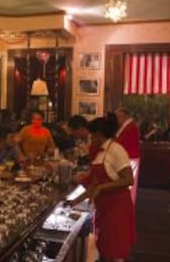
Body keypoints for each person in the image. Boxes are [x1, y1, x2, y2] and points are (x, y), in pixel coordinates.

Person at [66, 117, 135, 261]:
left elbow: (129, 180)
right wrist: (75, 201)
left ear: (99, 134)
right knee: (103, 248)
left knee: (112, 251)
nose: (91, 138)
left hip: (117, 208)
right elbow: (94, 184)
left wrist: (102, 187)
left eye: (92, 135)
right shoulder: (101, 151)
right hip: (104, 208)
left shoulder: (116, 150)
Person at [114, 107, 140, 203]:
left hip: (130, 159)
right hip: (129, 158)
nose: (116, 120)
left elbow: (120, 143)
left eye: (117, 117)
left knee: (128, 186)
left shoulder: (130, 127)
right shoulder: (128, 126)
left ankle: (128, 204)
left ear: (122, 116)